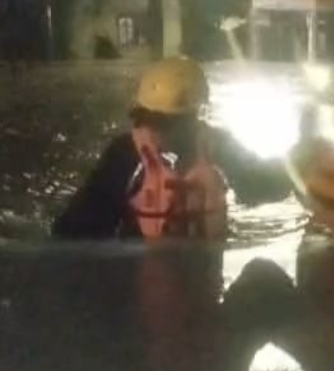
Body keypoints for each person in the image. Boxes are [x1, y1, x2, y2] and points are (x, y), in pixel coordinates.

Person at [52, 57, 292, 240]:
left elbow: (74, 230)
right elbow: (264, 187)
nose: (170, 133)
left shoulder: (125, 153)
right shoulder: (126, 154)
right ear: (199, 111)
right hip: (186, 279)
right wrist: (294, 164)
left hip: (144, 281)